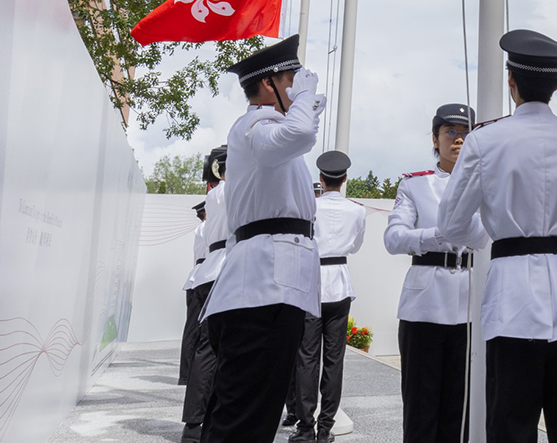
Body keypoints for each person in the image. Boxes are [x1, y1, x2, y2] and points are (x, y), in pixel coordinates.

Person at [437, 29, 557, 443]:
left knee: (511, 421)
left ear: (511, 81)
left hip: (513, 293)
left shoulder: (484, 140)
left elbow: (451, 226)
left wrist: (498, 229)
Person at [199, 36, 325, 443]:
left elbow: (299, 133)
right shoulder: (257, 124)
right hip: (263, 290)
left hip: (269, 286)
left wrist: (304, 104)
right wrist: (304, 104)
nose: (299, 85)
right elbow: (299, 132)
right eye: (292, 79)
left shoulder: (263, 127)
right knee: (244, 417)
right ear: (270, 84)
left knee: (249, 411)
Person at [383, 103, 477, 443]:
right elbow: (393, 239)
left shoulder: (486, 185)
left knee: (462, 407)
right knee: (421, 405)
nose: (458, 139)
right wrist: (434, 236)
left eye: (466, 132)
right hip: (425, 303)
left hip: (470, 302)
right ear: (435, 140)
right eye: (450, 132)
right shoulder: (415, 185)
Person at [287, 151, 368, 443]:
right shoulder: (357, 210)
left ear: (321, 178)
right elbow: (356, 246)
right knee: (335, 360)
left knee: (307, 358)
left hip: (312, 283)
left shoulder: (309, 206)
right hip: (340, 285)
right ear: (344, 179)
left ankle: (305, 427)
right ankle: (325, 428)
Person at [179, 146, 230, 443]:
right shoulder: (236, 191)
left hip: (210, 271)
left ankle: (194, 423)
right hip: (228, 269)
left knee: (206, 349)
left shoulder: (215, 195)